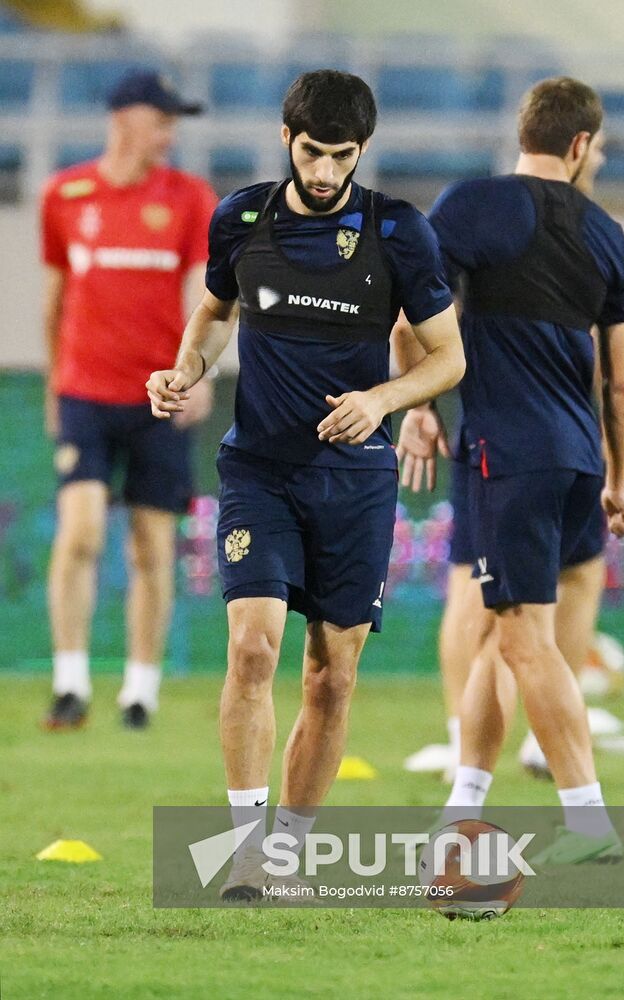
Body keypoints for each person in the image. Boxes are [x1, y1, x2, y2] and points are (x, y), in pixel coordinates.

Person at [146, 70, 464, 899]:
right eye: (313, 152)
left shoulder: (399, 233)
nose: (325, 172)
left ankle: (290, 851)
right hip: (258, 468)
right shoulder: (241, 218)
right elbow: (216, 313)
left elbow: (450, 356)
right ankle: (245, 851)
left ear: (363, 151)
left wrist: (382, 400)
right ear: (287, 138)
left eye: (343, 156)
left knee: (332, 674)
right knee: (252, 647)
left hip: (356, 479)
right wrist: (185, 370)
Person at [396, 77, 624, 864]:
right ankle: (462, 805)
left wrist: (419, 408)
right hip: (578, 461)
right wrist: (619, 479)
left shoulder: (472, 203)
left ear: (525, 132)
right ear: (579, 146)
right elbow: (623, 381)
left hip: (509, 455)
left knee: (528, 642)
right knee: (507, 636)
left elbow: (409, 316)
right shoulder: (607, 232)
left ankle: (591, 826)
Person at [41, 69, 217, 731]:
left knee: (151, 546)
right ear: (125, 120)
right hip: (85, 391)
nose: (170, 133)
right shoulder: (64, 194)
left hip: (159, 397)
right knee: (80, 531)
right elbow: (56, 301)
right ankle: (70, 681)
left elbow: (207, 299)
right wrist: (58, 383)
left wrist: (199, 376)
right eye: (162, 119)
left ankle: (140, 690)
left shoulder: (190, 198)